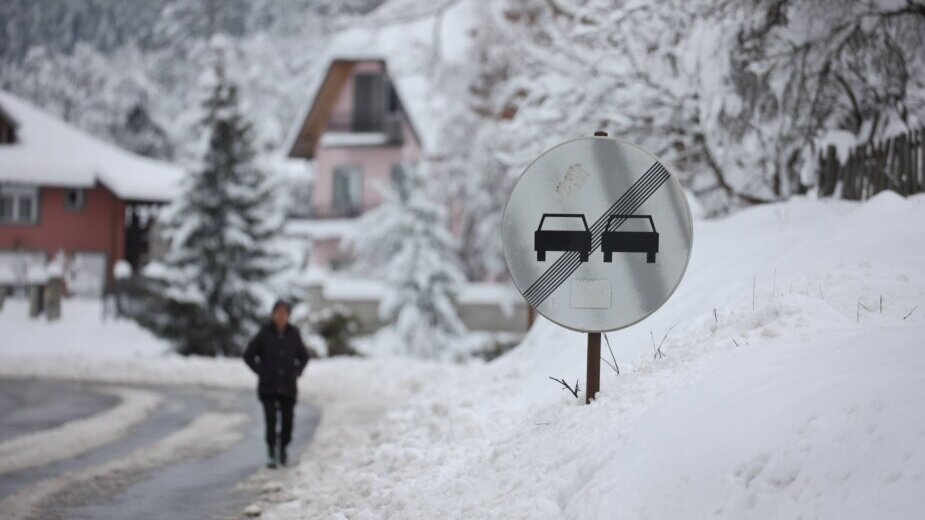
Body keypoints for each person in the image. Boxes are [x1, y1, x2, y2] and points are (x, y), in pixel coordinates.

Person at [243, 299, 311, 468]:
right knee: (271, 420)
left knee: (288, 422)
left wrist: (298, 370)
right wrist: (261, 371)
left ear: (288, 316)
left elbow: (304, 356)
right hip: (268, 387)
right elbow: (248, 355)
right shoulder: (264, 333)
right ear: (273, 314)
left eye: (284, 313)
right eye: (278, 313)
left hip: (288, 386)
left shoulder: (294, 333)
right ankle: (271, 452)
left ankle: (283, 447)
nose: (281, 316)